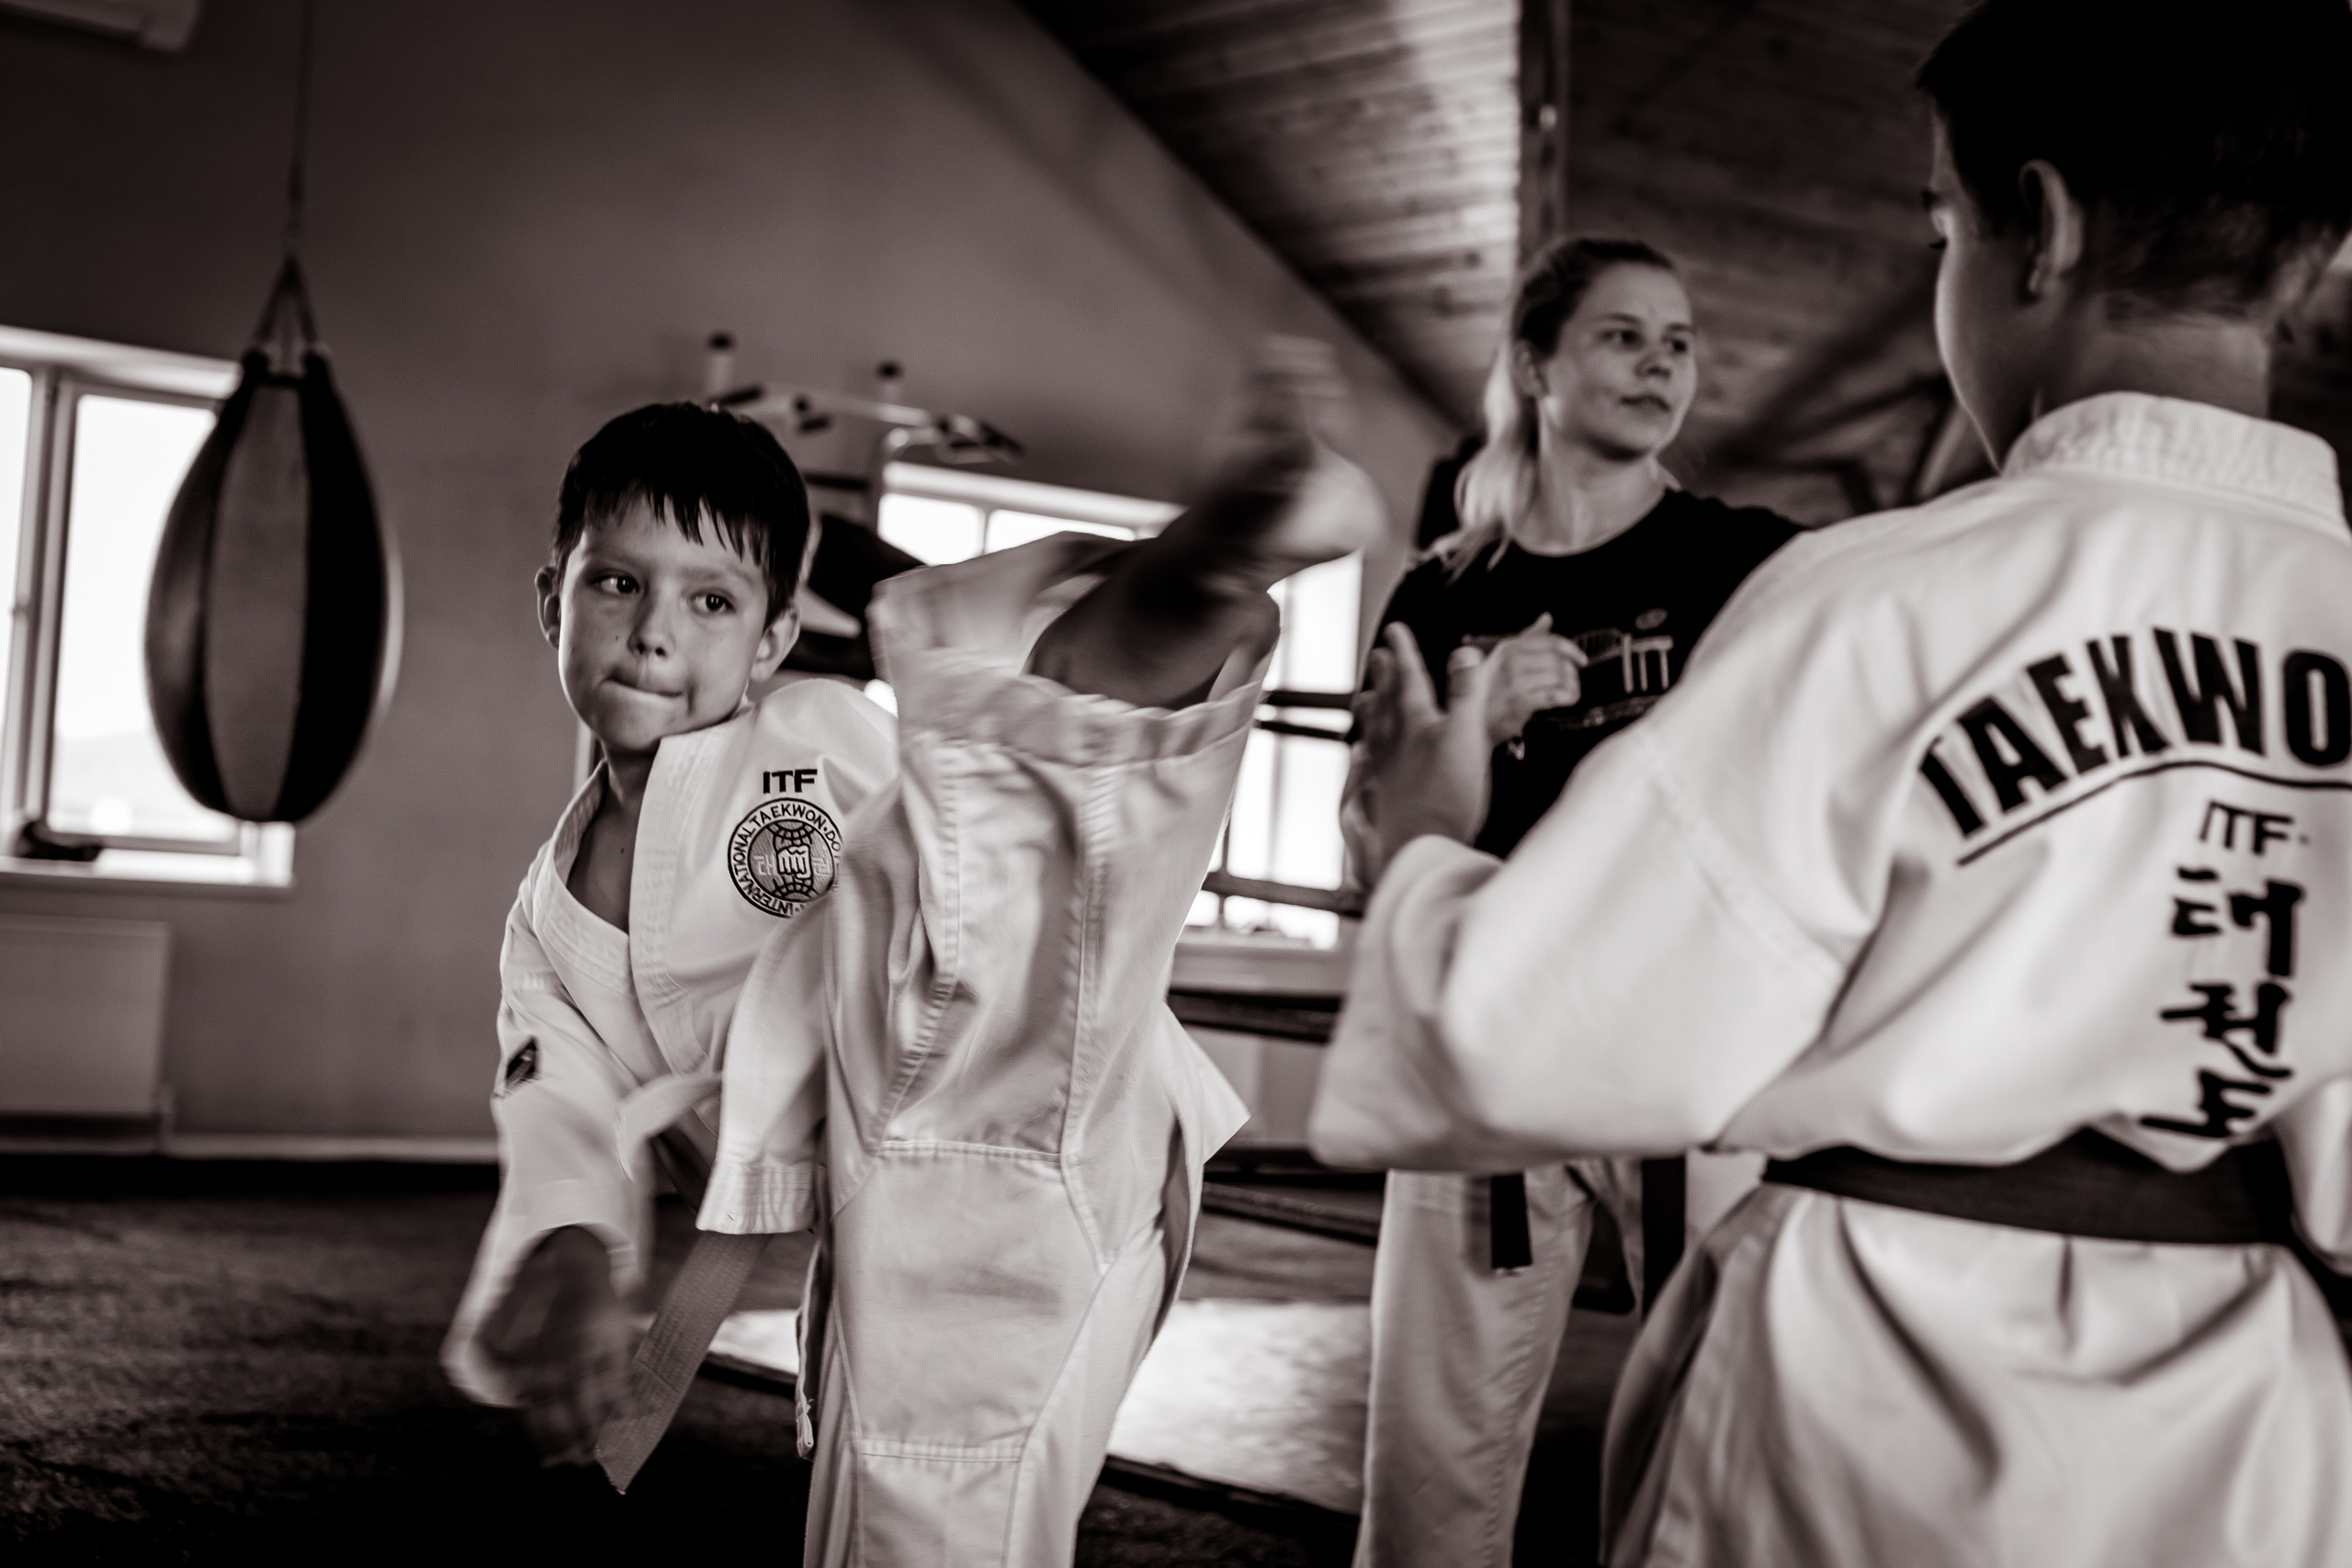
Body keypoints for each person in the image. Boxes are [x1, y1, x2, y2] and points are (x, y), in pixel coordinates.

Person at [1313, 1, 2352, 1563]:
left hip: (1869, 1380)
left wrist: (1425, 853)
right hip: (2247, 1412)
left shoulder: (1871, 592)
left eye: (1943, 221)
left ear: (2040, 230)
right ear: (2301, 259)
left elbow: (1528, 1031)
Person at [1343, 236, 1798, 1568]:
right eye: (1622, 334)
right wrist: (1471, 728)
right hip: (1487, 1035)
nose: (1660, 362)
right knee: (1430, 1456)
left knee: (1715, 1438)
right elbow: (1383, 858)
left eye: (1678, 339)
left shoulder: (1752, 562)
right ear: (1536, 363)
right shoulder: (1440, 593)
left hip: (1683, 1038)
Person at [440, 402, 898, 1461]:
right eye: (618, 582)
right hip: (876, 1221)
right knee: (858, 1484)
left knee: (932, 1498)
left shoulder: (817, 741)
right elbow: (560, 1104)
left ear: (772, 638)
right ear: (553, 601)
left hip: (1017, 1135)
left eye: (711, 601)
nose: (654, 631)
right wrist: (578, 1259)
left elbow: (984, 857)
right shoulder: (544, 927)